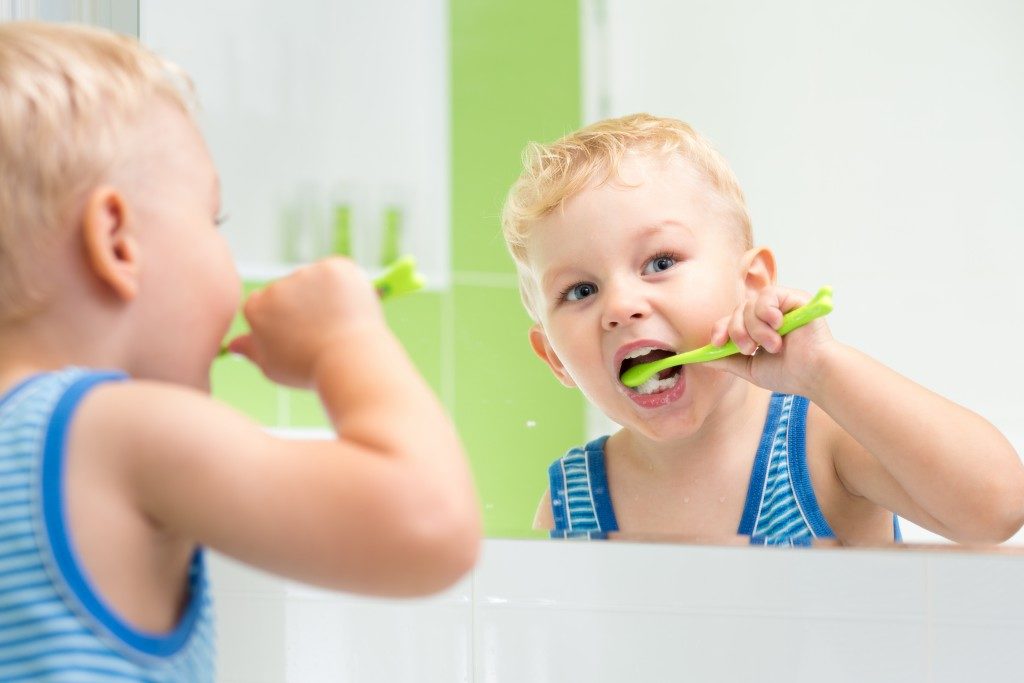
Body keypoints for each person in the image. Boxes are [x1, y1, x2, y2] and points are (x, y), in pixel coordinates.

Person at [0, 21, 480, 681]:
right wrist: (346, 340)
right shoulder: (113, 429)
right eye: (212, 218)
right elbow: (430, 525)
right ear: (116, 240)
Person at [501, 112, 1024, 546]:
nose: (621, 306)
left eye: (660, 262)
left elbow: (998, 509)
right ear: (554, 358)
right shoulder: (572, 502)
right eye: (580, 291)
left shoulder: (822, 446)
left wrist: (823, 369)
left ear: (750, 284)